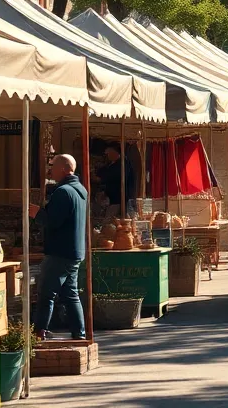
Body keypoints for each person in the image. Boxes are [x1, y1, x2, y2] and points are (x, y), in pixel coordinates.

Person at [28, 154, 87, 340]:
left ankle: (39, 333)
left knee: (46, 294)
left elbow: (53, 221)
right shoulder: (80, 189)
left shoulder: (63, 192)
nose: (50, 170)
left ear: (63, 169)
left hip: (59, 252)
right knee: (71, 294)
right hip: (74, 251)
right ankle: (79, 333)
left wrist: (37, 213)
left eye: (53, 167)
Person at [96, 141, 136, 220]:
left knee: (112, 221)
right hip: (114, 199)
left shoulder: (123, 164)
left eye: (109, 153)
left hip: (119, 199)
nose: (107, 156)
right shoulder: (112, 164)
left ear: (114, 152)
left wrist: (100, 179)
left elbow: (113, 177)